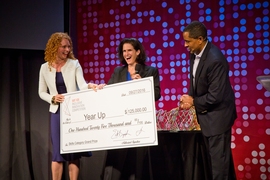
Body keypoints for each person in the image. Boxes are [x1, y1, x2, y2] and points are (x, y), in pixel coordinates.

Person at [38, 32, 103, 180]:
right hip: (57, 111)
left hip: (74, 111)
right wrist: (52, 98)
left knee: (73, 151)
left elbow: (82, 85)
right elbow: (41, 92)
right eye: (63, 47)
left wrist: (91, 86)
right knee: (58, 153)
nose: (67, 50)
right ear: (55, 47)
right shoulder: (44, 68)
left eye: (69, 47)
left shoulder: (74, 64)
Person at [179, 21, 237, 180]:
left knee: (219, 166)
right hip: (204, 117)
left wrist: (193, 102)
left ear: (200, 39)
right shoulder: (194, 53)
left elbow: (215, 96)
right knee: (209, 163)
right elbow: (195, 80)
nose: (185, 45)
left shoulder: (215, 60)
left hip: (218, 118)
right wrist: (188, 97)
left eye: (188, 41)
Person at [102, 38, 161, 180]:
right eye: (124, 51)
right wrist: (100, 88)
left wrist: (142, 85)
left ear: (138, 52)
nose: (126, 54)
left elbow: (157, 94)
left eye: (129, 50)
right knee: (118, 164)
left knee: (138, 165)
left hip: (140, 123)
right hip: (120, 123)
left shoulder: (150, 71)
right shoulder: (118, 71)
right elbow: (109, 91)